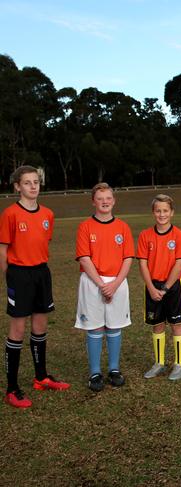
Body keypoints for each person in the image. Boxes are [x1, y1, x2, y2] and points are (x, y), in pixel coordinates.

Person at [1, 165, 69, 408]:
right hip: (19, 274)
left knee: (40, 325)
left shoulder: (48, 214)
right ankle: (12, 388)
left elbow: (42, 242)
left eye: (35, 182)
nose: (32, 186)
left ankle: (41, 377)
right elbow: (3, 249)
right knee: (18, 329)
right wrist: (9, 277)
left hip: (42, 272)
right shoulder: (10, 214)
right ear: (18, 186)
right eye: (27, 182)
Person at [74, 182, 134, 392]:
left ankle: (114, 369)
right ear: (93, 202)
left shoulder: (123, 227)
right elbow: (84, 258)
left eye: (108, 198)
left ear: (114, 201)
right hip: (92, 283)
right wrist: (101, 285)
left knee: (114, 325)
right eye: (100, 199)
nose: (105, 202)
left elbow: (128, 258)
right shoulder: (85, 226)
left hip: (117, 282)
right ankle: (95, 372)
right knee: (95, 326)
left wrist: (114, 284)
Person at [137, 194, 181, 381]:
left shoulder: (180, 235)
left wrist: (165, 288)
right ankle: (159, 363)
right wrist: (151, 288)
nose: (162, 214)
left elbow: (180, 264)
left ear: (172, 212)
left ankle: (179, 365)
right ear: (153, 213)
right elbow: (142, 264)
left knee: (176, 324)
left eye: (165, 210)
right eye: (158, 211)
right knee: (157, 325)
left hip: (172, 286)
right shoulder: (145, 235)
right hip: (152, 285)